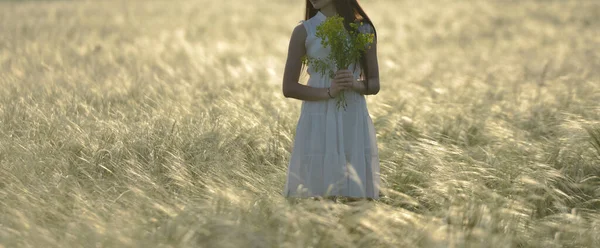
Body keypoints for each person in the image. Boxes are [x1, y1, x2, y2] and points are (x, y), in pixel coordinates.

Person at [281, 0, 381, 202]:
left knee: (358, 196)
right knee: (320, 197)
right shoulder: (304, 31)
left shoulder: (363, 29)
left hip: (351, 115)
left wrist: (354, 84)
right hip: (317, 117)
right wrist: (329, 92)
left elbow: (374, 84)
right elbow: (288, 88)